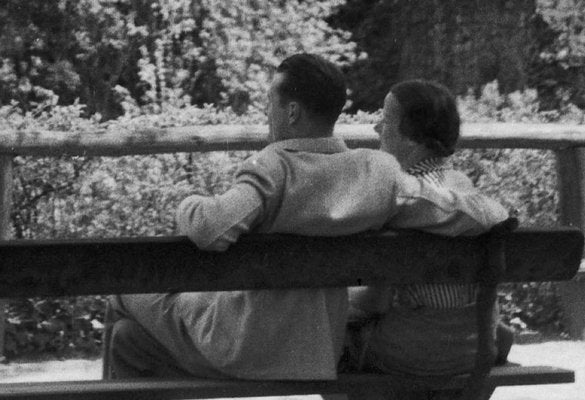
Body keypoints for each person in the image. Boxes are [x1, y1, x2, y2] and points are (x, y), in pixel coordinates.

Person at [107, 54, 509, 380]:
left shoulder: (274, 168)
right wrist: (497, 213)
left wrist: (186, 204)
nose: (267, 111)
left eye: (270, 102)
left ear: (293, 112)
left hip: (241, 347)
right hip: (319, 349)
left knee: (122, 289)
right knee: (130, 337)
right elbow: (449, 209)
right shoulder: (376, 172)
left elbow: (212, 227)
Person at [346, 79, 515, 377]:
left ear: (412, 138)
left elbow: (376, 300)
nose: (376, 129)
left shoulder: (395, 198)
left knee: (325, 342)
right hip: (476, 348)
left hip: (408, 352)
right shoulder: (464, 188)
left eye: (384, 121)